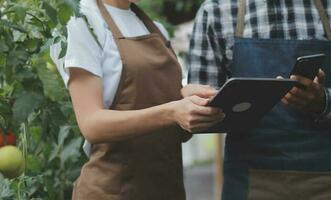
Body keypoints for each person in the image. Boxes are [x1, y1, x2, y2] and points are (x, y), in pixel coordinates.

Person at [184, 0, 331, 199]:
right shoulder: (216, 10)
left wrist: (324, 101)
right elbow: (198, 105)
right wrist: (202, 105)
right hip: (248, 181)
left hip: (325, 181)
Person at [50, 0, 224, 199]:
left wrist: (187, 98)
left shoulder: (155, 29)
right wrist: (172, 112)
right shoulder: (81, 22)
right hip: (114, 190)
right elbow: (91, 123)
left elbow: (169, 116)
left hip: (167, 189)